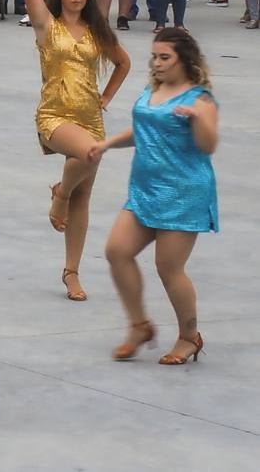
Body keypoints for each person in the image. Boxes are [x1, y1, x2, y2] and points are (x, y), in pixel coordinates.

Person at [4, 0, 131, 303]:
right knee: (89, 153)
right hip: (54, 116)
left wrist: (105, 98)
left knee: (83, 197)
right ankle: (59, 194)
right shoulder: (48, 26)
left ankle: (71, 272)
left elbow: (123, 63)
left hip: (90, 117)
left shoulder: (97, 31)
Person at [90, 29, 218, 365]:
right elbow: (143, 130)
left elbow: (208, 145)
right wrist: (106, 144)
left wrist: (198, 118)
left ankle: (189, 337)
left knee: (169, 267)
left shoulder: (201, 99)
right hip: (145, 191)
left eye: (165, 57)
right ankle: (139, 326)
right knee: (117, 251)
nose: (157, 63)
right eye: (154, 57)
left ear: (184, 60)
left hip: (183, 194)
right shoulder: (154, 89)